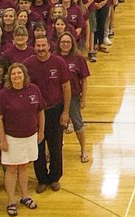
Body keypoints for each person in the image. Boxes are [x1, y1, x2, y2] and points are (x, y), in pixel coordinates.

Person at [0, 62, 45, 215]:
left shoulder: (34, 89)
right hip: (12, 138)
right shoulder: (4, 94)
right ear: (9, 77)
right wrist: (2, 140)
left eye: (19, 73)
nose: (17, 76)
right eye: (13, 74)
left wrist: (41, 131)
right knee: (11, 169)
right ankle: (11, 200)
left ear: (24, 75)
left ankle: (25, 196)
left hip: (30, 136)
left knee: (24, 167)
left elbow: (40, 112)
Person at [25, 36, 72, 193]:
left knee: (55, 146)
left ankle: (55, 178)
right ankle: (42, 179)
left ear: (49, 46)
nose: (40, 48)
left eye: (43, 45)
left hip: (55, 110)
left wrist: (66, 112)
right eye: (37, 46)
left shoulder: (59, 63)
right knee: (38, 145)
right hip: (35, 113)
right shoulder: (28, 64)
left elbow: (66, 87)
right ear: (34, 47)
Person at [58, 32, 92, 163]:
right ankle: (52, 152)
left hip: (73, 97)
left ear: (72, 43)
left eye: (68, 42)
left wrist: (84, 98)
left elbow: (84, 79)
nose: (65, 44)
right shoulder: (55, 58)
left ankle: (83, 149)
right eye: (63, 42)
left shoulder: (78, 58)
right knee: (56, 125)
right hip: (57, 97)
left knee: (78, 123)